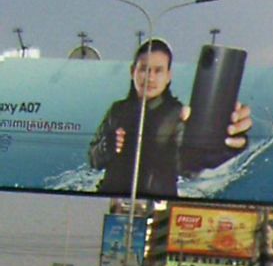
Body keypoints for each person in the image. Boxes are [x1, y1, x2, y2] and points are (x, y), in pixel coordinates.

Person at [89, 38, 251, 197]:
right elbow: (93, 159)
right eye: (144, 69)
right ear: (133, 72)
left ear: (168, 76)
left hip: (160, 204)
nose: (150, 78)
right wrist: (105, 147)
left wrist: (225, 144)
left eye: (158, 70)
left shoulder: (177, 115)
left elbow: (189, 163)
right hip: (110, 200)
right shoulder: (117, 110)